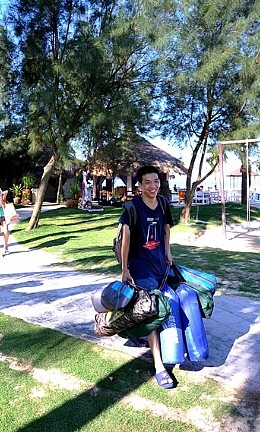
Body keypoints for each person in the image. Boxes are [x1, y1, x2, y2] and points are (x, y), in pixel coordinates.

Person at [119, 165, 175, 389]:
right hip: (140, 266)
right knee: (152, 308)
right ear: (140, 186)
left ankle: (137, 333)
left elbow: (167, 229)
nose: (153, 186)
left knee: (153, 304)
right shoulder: (131, 208)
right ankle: (159, 366)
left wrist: (168, 252)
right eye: (148, 182)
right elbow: (125, 241)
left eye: (156, 181)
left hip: (160, 263)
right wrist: (125, 269)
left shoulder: (163, 203)